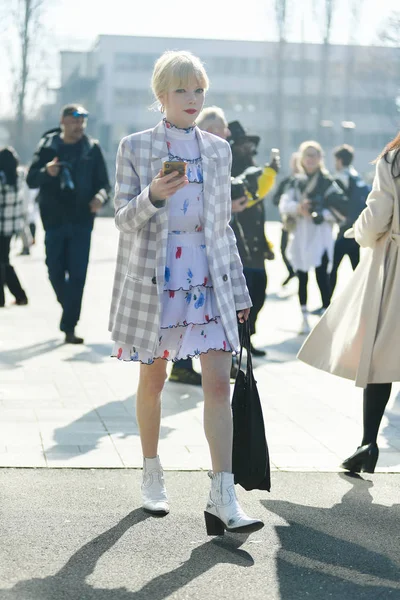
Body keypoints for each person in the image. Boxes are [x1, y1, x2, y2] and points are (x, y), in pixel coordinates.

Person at [109, 50, 263, 535]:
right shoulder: (134, 147)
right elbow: (122, 219)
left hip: (210, 280)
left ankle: (223, 495)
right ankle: (152, 471)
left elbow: (222, 228)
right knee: (153, 383)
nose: (193, 99)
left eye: (199, 90)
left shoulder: (218, 150)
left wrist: (239, 293)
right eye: (182, 90)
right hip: (159, 283)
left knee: (218, 385)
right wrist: (154, 193)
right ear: (161, 96)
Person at [298, 131, 400, 474]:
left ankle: (368, 443)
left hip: (395, 267)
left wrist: (358, 233)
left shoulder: (394, 159)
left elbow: (375, 219)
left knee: (380, 356)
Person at [168, 106, 247, 385]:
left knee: (200, 308)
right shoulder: (176, 152)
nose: (222, 133)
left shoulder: (222, 152)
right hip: (183, 248)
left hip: (217, 243)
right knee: (183, 306)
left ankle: (222, 362)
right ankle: (182, 364)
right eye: (217, 127)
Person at [27, 104, 110, 344]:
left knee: (77, 275)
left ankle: (69, 326)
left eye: (82, 121)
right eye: (74, 120)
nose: (79, 125)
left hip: (82, 220)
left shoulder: (92, 149)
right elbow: (32, 179)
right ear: (63, 121)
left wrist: (100, 198)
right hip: (53, 220)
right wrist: (47, 171)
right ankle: (70, 307)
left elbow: (104, 184)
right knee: (54, 269)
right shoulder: (47, 147)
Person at [279, 141, 347, 334]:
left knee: (321, 276)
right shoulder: (295, 181)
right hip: (300, 234)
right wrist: (299, 209)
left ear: (320, 159)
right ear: (301, 158)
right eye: (307, 155)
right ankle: (304, 319)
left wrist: (319, 213)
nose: (310, 159)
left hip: (321, 235)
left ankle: (326, 319)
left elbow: (341, 209)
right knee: (302, 277)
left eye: (314, 155)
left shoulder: (328, 182)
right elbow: (284, 204)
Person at [229, 121, 279, 356]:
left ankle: (247, 338)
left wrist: (266, 241)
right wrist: (269, 174)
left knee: (259, 292)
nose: (247, 148)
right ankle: (239, 341)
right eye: (242, 144)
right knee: (245, 296)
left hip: (256, 246)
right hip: (240, 245)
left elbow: (258, 211)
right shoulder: (233, 172)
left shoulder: (253, 169)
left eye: (249, 144)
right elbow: (250, 195)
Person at [329, 144, 371, 295]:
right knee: (356, 268)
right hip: (356, 228)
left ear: (339, 160)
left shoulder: (340, 178)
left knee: (332, 268)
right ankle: (363, 297)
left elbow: (333, 200)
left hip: (344, 229)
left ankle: (326, 302)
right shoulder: (357, 176)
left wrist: (340, 217)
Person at [0, 147, 28, 307]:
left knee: (3, 262)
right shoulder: (19, 177)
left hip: (1, 224)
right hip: (11, 227)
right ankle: (19, 296)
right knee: (4, 260)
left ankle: (17, 296)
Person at [271, 152, 299, 287]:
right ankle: (291, 270)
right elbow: (275, 199)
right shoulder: (287, 181)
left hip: (302, 223)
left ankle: (300, 273)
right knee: (283, 249)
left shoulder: (308, 181)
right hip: (287, 222)